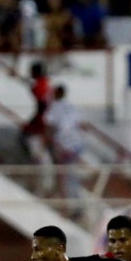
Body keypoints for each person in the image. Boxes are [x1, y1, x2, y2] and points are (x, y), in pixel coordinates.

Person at [44, 84, 85, 218]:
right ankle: (74, 206)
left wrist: (46, 141)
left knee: (63, 177)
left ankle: (67, 208)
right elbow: (78, 125)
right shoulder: (72, 107)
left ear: (56, 94)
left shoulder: (54, 108)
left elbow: (51, 127)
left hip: (63, 147)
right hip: (76, 145)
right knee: (70, 177)